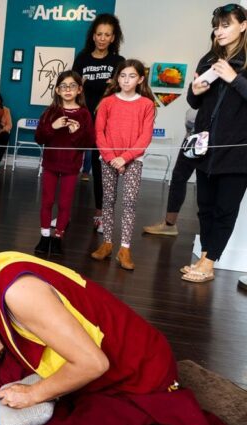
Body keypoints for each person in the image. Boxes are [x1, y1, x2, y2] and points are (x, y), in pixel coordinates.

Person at [0, 253, 227, 425]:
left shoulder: (19, 294)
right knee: (5, 370)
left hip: (137, 368)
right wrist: (1, 333)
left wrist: (34, 394)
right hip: (106, 349)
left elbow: (95, 363)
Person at [182, 3, 247, 283]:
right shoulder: (209, 58)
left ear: (243, 25)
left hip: (237, 152)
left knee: (225, 209)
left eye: (226, 25)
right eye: (216, 26)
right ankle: (205, 257)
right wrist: (194, 91)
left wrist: (234, 79)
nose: (219, 31)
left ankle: (209, 263)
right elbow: (195, 102)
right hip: (204, 148)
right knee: (205, 207)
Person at [90, 59, 155, 271]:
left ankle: (124, 248)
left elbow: (145, 137)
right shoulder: (107, 102)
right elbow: (99, 132)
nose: (126, 80)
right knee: (108, 200)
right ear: (117, 78)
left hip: (134, 160)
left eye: (132, 76)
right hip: (108, 158)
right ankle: (107, 243)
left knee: (129, 202)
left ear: (141, 79)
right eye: (123, 75)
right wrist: (111, 158)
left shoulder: (146, 104)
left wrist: (125, 158)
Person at [72, 13, 125, 234]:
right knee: (69, 163)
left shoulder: (118, 62)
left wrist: (109, 90)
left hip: (106, 123)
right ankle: (63, 211)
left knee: (100, 167)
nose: (102, 38)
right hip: (81, 118)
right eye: (99, 34)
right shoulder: (82, 58)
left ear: (113, 38)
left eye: (107, 35)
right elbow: (72, 87)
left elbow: (120, 92)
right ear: (93, 36)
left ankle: (101, 214)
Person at [34, 71, 94, 256]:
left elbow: (88, 144)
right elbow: (39, 138)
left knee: (65, 204)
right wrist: (53, 127)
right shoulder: (50, 112)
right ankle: (44, 236)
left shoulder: (84, 114)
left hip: (71, 167)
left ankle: (58, 238)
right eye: (63, 86)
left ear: (79, 90)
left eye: (72, 86)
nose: (68, 89)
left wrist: (76, 133)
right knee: (47, 201)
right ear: (57, 90)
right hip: (50, 164)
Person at [143, 108, 198, 236]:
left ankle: (208, 238)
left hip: (208, 140)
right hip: (192, 138)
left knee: (203, 184)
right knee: (178, 178)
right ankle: (169, 224)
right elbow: (192, 107)